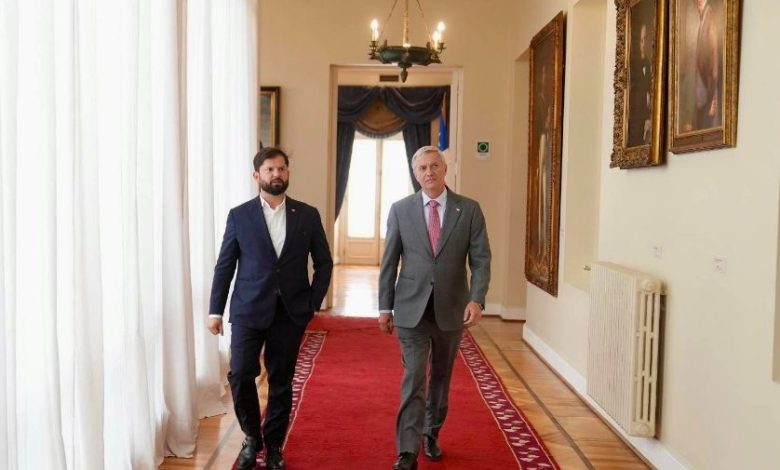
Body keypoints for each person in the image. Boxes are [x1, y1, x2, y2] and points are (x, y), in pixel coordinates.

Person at [208, 147, 333, 470]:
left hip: (290, 312)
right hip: (248, 309)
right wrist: (215, 310)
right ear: (257, 175)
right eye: (269, 169)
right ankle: (252, 437)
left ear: (287, 173)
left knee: (281, 380)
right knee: (240, 374)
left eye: (281, 168)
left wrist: (312, 303)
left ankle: (274, 445)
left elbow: (324, 262)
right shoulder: (240, 215)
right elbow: (225, 265)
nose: (276, 174)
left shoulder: (307, 215)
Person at [378, 146, 491, 470]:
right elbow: (389, 261)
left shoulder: (469, 209)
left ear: (444, 168)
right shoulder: (401, 210)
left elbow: (481, 259)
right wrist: (385, 307)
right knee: (414, 376)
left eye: (434, 166)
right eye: (422, 168)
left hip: (451, 308)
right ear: (415, 174)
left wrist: (476, 299)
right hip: (410, 308)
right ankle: (407, 451)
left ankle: (431, 433)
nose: (429, 172)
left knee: (441, 377)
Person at [693, 0, 721, 130]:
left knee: (710, 126)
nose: (697, 2)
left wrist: (712, 95)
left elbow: (714, 55)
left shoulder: (710, 16)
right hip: (704, 87)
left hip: (709, 85)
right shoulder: (703, 17)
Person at [628, 20, 653, 147]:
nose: (644, 44)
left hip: (645, 121)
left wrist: (648, 118)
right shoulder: (631, 66)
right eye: (641, 40)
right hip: (635, 124)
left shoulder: (648, 64)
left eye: (645, 39)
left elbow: (648, 93)